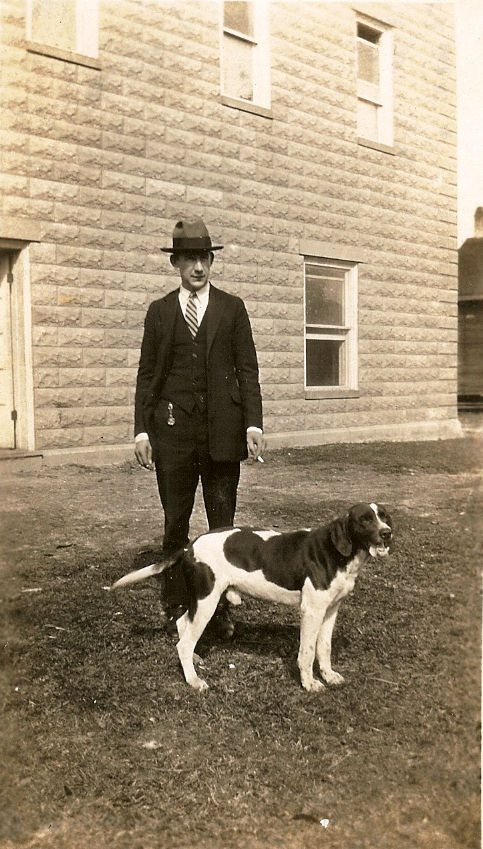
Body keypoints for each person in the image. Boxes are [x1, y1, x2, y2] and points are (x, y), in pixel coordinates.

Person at [134, 218, 265, 637]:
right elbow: (147, 376)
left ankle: (220, 609)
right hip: (173, 436)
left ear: (211, 261)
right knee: (175, 521)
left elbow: (247, 370)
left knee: (222, 526)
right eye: (189, 259)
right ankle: (176, 604)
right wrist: (142, 431)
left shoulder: (232, 308)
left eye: (204, 258)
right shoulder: (159, 312)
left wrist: (253, 423)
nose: (198, 267)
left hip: (223, 436)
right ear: (175, 263)